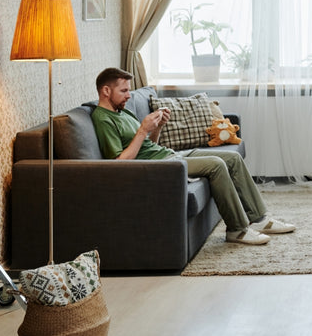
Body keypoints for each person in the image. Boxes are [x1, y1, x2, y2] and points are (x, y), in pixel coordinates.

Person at [90, 67, 295, 245]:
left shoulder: (122, 112)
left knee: (233, 158)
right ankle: (237, 230)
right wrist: (142, 130)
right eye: (124, 91)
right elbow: (119, 164)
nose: (128, 95)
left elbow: (149, 145)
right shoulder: (102, 118)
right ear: (106, 91)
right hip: (159, 165)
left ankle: (258, 218)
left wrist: (157, 127)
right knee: (215, 165)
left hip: (166, 154)